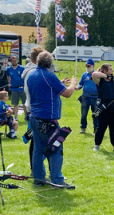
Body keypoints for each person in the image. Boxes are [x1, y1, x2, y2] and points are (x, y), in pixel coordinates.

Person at [27, 51, 77, 188]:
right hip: (47, 120)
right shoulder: (49, 76)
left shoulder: (32, 75)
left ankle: (39, 179)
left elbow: (44, 88)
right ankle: (57, 179)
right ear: (50, 64)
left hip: (34, 118)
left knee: (38, 149)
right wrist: (72, 84)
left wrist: (58, 83)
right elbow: (67, 93)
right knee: (56, 148)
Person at [77, 59, 98, 134]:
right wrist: (77, 87)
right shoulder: (84, 75)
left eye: (89, 66)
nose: (87, 67)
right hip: (85, 97)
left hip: (95, 97)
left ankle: (96, 128)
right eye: (86, 66)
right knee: (83, 114)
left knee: (95, 114)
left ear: (93, 66)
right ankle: (83, 128)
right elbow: (80, 84)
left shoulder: (97, 75)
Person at [6, 54, 26, 119]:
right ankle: (16, 116)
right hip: (14, 89)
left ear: (17, 61)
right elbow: (8, 76)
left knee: (24, 103)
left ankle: (26, 116)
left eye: (15, 60)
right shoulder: (9, 69)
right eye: (13, 61)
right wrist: (9, 83)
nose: (14, 62)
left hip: (22, 87)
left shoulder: (22, 68)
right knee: (15, 104)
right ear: (11, 61)